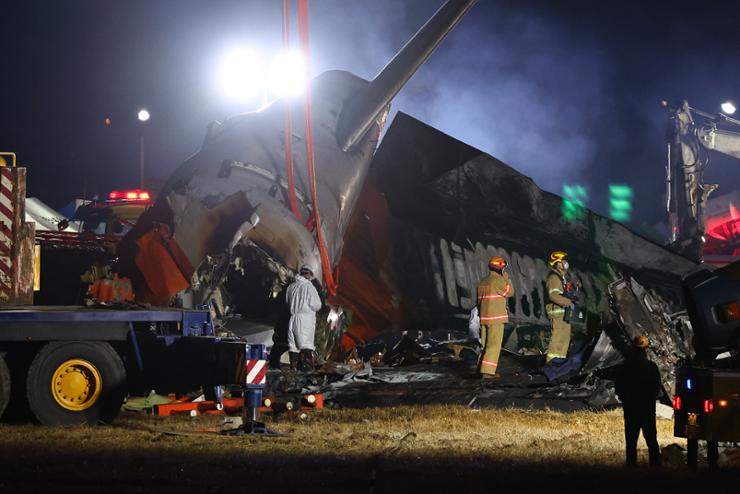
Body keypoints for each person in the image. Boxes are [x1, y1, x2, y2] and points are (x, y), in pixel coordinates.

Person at [615, 335, 662, 467]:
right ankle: (655, 466)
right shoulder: (651, 367)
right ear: (645, 350)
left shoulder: (625, 367)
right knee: (652, 439)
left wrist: (626, 398)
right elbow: (656, 388)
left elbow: (618, 388)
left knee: (631, 441)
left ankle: (631, 467)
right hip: (647, 408)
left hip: (631, 409)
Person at [476, 255, 515, 380]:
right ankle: (487, 372)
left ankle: (480, 369)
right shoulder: (498, 280)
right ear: (500, 268)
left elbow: (478, 301)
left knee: (485, 345)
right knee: (494, 344)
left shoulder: (483, 281)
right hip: (496, 318)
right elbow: (509, 292)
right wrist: (507, 279)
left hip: (484, 318)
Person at [286, 263, 322, 371]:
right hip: (304, 321)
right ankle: (306, 373)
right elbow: (317, 305)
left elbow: (287, 302)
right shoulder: (309, 287)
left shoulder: (291, 287)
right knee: (306, 347)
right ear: (309, 274)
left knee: (294, 348)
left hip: (292, 319)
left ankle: (293, 372)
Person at [545, 250, 576, 363]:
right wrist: (568, 302)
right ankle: (551, 363)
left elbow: (563, 293)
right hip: (557, 312)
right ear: (557, 263)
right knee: (557, 338)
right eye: (563, 260)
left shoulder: (561, 278)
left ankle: (560, 362)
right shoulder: (554, 278)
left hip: (563, 313)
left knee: (565, 338)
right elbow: (553, 295)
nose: (565, 263)